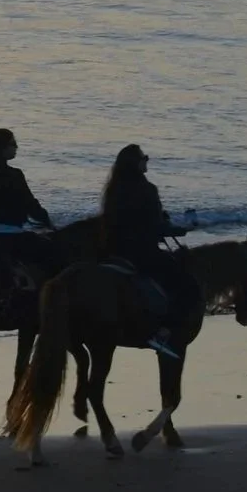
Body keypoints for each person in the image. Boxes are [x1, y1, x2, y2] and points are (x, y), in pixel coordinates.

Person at [100, 143, 199, 356]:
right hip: (142, 251)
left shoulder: (113, 188)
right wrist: (182, 229)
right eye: (144, 157)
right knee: (185, 283)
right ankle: (163, 332)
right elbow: (155, 226)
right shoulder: (146, 189)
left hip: (113, 250)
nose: (147, 161)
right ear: (136, 163)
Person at [0, 128, 56, 291]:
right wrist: (47, 221)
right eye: (13, 144)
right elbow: (31, 205)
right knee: (52, 252)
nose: (16, 147)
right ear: (1, 147)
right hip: (8, 235)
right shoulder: (14, 174)